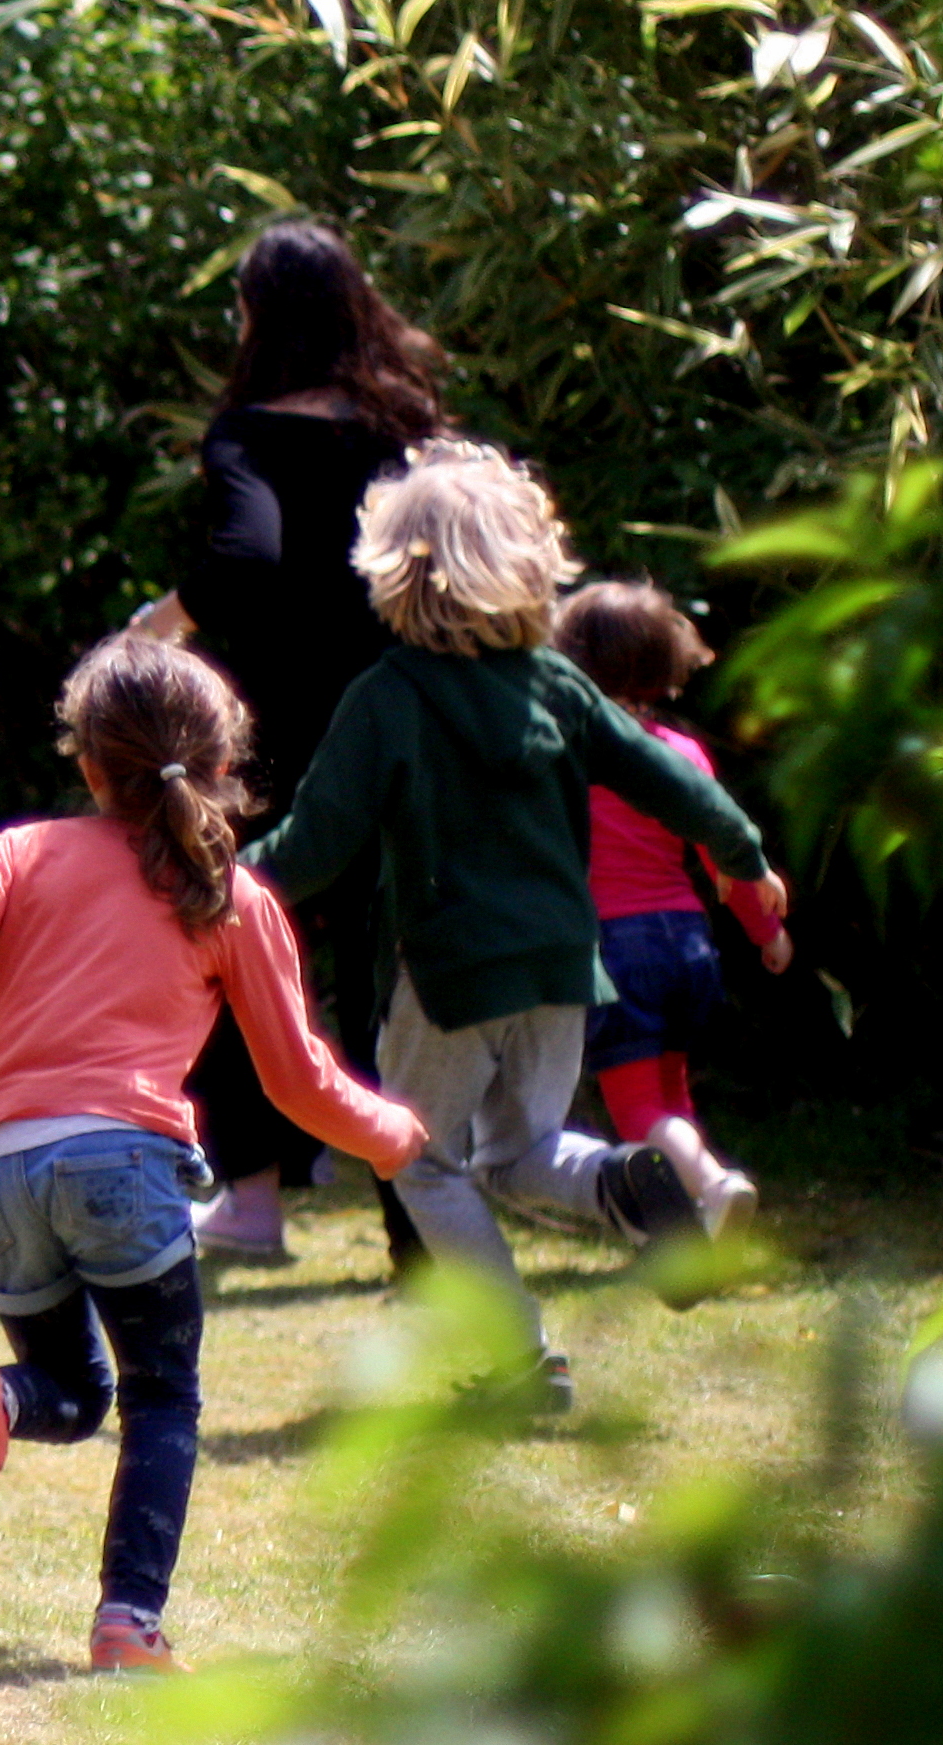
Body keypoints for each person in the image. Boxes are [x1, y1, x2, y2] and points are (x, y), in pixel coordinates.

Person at [0, 637, 425, 1674]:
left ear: (88, 762)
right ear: (217, 761)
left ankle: (1, 1398)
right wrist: (388, 1134)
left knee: (69, 1384)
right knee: (162, 1394)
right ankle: (127, 1625)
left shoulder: (23, 851)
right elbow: (295, 1083)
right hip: (124, 1163)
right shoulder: (230, 894)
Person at [246, 444, 792, 1410]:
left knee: (415, 1157)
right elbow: (679, 786)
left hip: (450, 972)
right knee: (517, 1153)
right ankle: (627, 1177)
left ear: (396, 570)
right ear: (528, 566)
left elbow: (311, 846)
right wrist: (747, 858)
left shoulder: (390, 697)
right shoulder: (557, 683)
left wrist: (215, 887)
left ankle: (521, 1363)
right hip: (563, 966)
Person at [133, 217, 447, 1266]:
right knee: (378, 979)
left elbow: (246, 559)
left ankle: (253, 1196)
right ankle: (416, 1229)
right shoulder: (401, 424)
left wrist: (159, 622)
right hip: (399, 718)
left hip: (274, 739)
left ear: (256, 314)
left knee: (225, 938)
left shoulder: (248, 433)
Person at [550, 579, 791, 1229]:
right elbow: (726, 853)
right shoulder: (681, 753)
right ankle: (698, 1212)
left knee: (635, 1109)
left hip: (615, 949)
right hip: (687, 944)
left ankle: (711, 1184)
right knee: (669, 1092)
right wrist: (765, 930)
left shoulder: (568, 754)